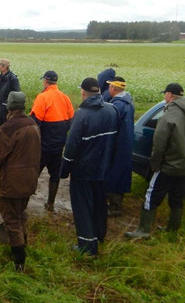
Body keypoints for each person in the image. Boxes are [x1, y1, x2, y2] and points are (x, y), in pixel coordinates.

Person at [126, 83, 185, 238]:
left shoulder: (168, 116)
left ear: (170, 95)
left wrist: (155, 165)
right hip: (184, 165)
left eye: (165, 94)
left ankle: (143, 230)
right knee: (177, 197)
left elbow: (159, 144)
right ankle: (172, 229)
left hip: (168, 166)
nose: (164, 96)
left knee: (151, 195)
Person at [60, 77, 119, 256]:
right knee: (100, 204)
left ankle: (87, 246)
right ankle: (99, 236)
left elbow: (72, 145)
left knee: (83, 206)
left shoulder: (82, 114)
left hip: (83, 170)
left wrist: (65, 169)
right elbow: (116, 141)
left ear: (84, 92)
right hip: (103, 169)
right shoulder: (112, 110)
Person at [0, 91, 41, 271]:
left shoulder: (8, 128)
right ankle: (23, 245)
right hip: (29, 180)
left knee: (11, 219)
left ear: (9, 107)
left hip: (12, 182)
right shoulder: (33, 125)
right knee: (21, 214)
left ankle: (19, 261)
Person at [30, 71, 74, 212]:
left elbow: (35, 122)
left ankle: (23, 202)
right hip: (59, 143)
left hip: (44, 144)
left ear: (46, 81)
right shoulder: (65, 98)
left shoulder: (42, 97)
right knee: (55, 174)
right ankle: (50, 203)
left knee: (33, 172)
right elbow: (71, 120)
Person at [104, 77, 135, 216]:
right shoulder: (128, 103)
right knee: (121, 174)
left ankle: (114, 207)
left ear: (113, 88)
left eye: (110, 86)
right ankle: (116, 204)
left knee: (113, 175)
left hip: (117, 146)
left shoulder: (117, 105)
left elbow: (111, 128)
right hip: (126, 145)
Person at [0, 58, 20, 128]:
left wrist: (12, 109)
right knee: (0, 128)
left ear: (4, 67)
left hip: (8, 109)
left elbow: (17, 94)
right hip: (0, 108)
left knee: (8, 129)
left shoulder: (13, 78)